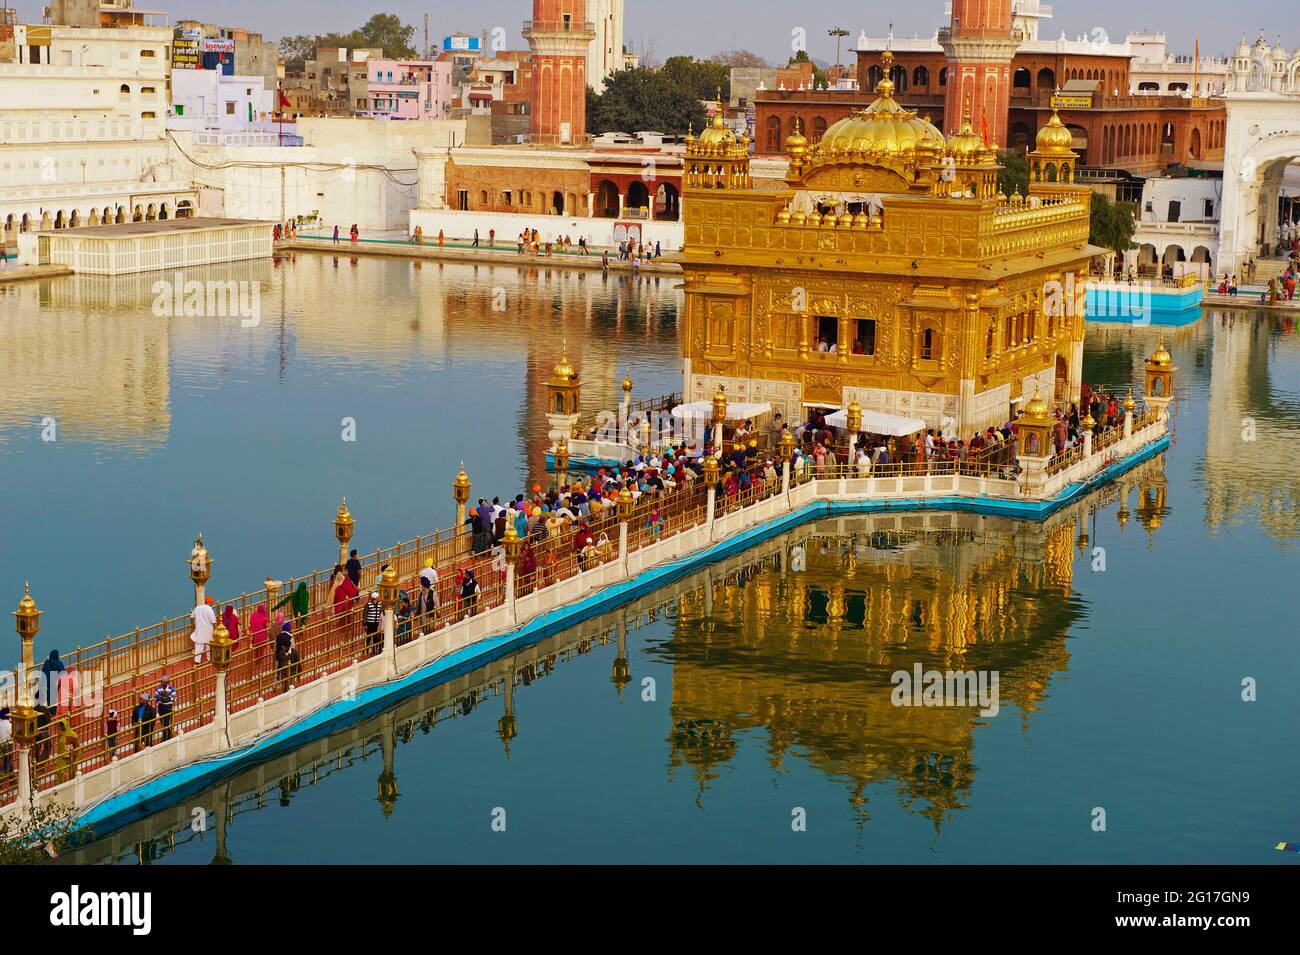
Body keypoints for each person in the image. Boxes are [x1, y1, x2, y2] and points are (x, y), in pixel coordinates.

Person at [191, 595, 216, 664]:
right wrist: (215, 629)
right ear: (210, 603)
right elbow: (213, 621)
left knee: (198, 646)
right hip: (208, 631)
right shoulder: (210, 610)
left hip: (199, 630)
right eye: (212, 603)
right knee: (209, 646)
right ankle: (209, 659)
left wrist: (194, 624)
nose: (212, 604)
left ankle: (197, 660)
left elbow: (192, 617)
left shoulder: (197, 608)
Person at [154, 677, 176, 742]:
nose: (161, 683)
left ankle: (164, 738)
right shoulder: (158, 689)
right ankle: (169, 736)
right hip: (161, 707)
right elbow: (155, 699)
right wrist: (160, 697)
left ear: (167, 682)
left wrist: (167, 696)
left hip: (168, 707)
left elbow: (174, 698)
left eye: (163, 682)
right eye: (161, 681)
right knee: (163, 723)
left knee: (166, 723)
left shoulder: (171, 689)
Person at [363, 591, 383, 656]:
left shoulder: (380, 605)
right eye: (378, 597)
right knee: (368, 638)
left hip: (376, 623)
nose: (379, 598)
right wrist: (365, 624)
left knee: (375, 637)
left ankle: (374, 650)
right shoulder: (368, 605)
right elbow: (365, 614)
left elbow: (381, 613)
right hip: (369, 623)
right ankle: (365, 650)